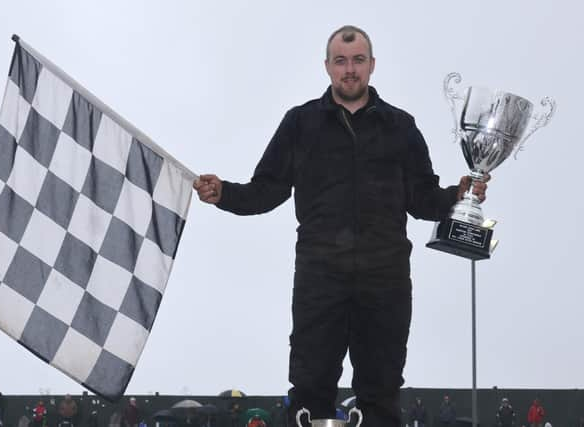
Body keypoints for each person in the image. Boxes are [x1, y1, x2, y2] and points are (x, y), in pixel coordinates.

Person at [193, 25, 488, 427]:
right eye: (341, 61)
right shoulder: (300, 123)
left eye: (358, 60)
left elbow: (421, 198)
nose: (350, 69)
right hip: (320, 277)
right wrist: (224, 193)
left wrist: (460, 194)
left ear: (372, 65)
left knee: (381, 391)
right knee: (310, 387)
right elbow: (267, 190)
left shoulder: (400, 126)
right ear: (327, 67)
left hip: (385, 280)